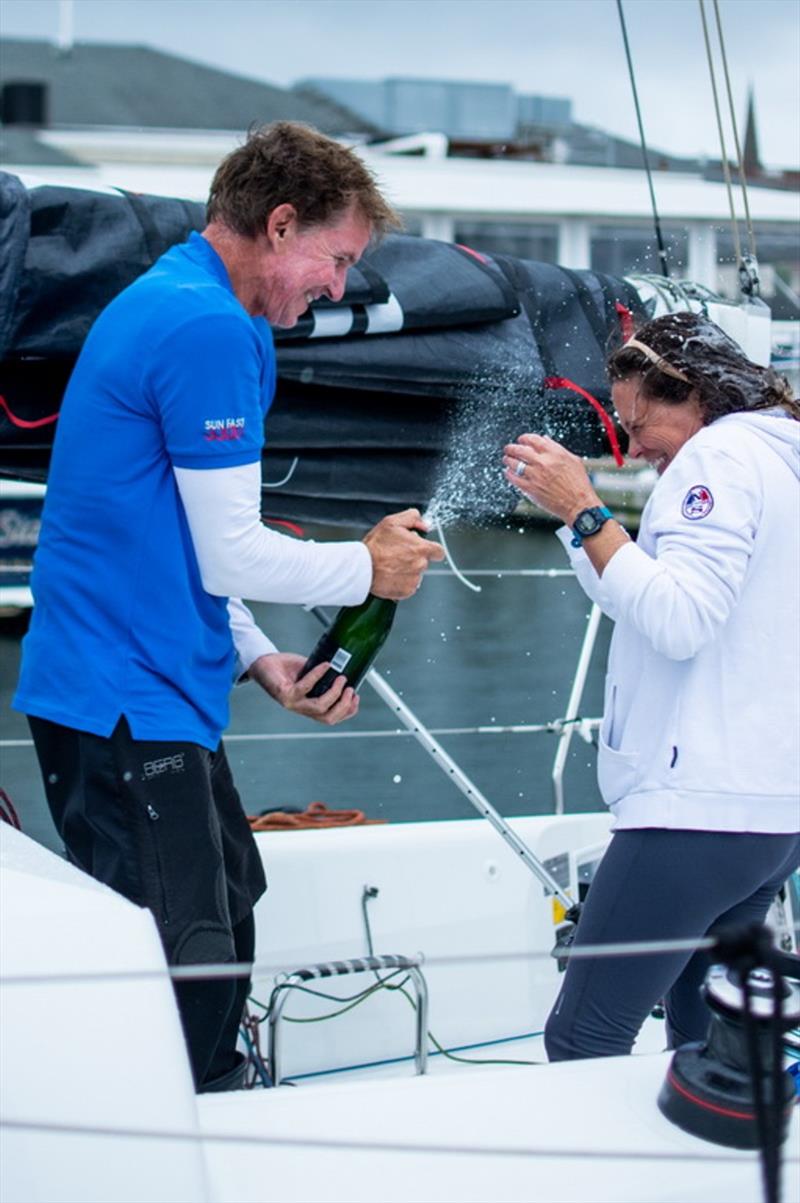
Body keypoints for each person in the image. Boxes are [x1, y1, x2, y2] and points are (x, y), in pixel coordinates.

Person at [14, 122, 444, 1091]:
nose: (338, 286)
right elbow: (234, 548)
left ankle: (209, 1093)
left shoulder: (212, 308)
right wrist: (366, 572)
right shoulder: (204, 326)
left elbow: (187, 543)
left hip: (156, 684)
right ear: (279, 223)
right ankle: (187, 1131)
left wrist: (259, 658)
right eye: (334, 259)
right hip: (118, 694)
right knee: (190, 953)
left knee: (232, 898)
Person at [503, 311, 800, 1059]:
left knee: (583, 1037)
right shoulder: (781, 458)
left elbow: (679, 620)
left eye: (638, 424)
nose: (631, 448)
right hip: (770, 817)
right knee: (700, 1042)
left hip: (693, 812)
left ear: (694, 394)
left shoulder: (717, 458)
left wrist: (584, 506)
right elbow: (653, 592)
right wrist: (581, 529)